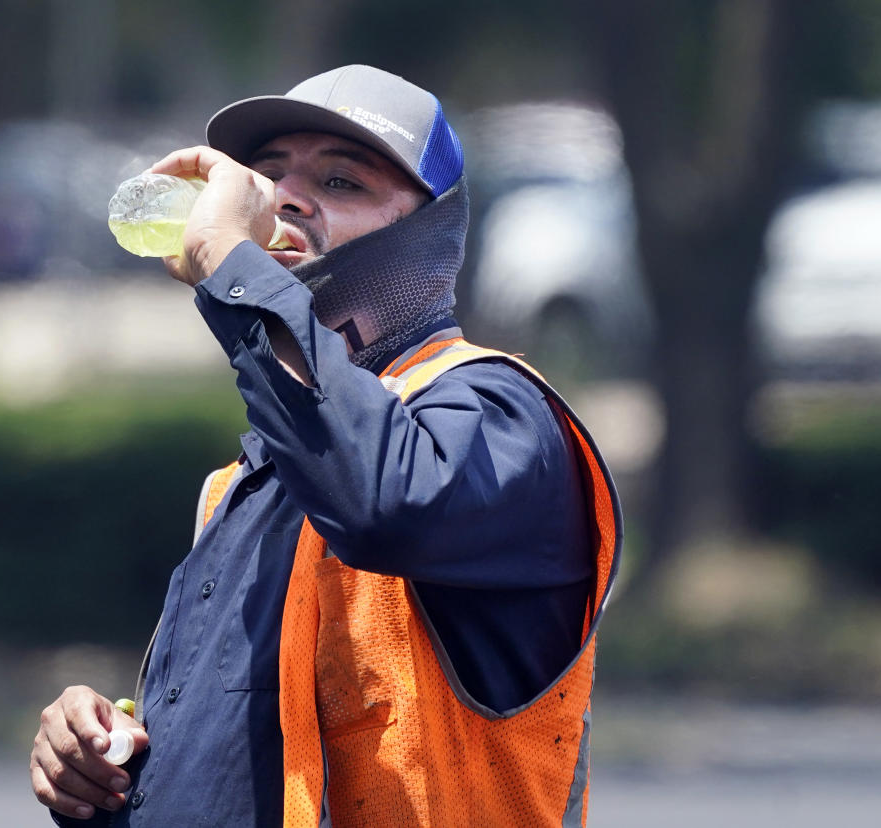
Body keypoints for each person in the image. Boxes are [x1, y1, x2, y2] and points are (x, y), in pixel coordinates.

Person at [30, 64, 621, 827]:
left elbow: (384, 504)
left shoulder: (499, 416)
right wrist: (103, 765)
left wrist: (234, 275)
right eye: (265, 176)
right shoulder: (246, 483)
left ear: (428, 232)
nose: (281, 199)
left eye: (342, 183)